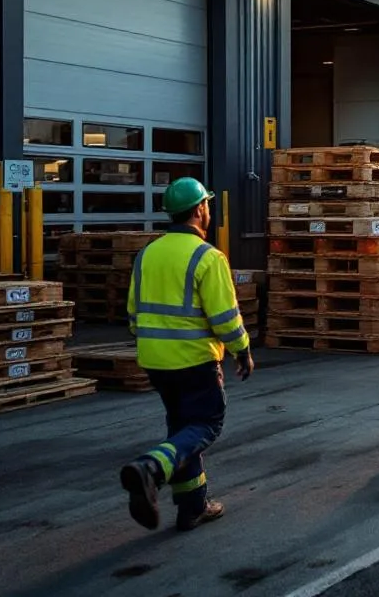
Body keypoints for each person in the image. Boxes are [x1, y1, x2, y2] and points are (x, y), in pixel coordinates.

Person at [119, 177, 253, 532]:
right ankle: (151, 467)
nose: (208, 210)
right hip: (194, 359)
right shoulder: (207, 257)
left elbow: (133, 312)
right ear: (198, 210)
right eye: (207, 204)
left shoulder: (147, 254)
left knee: (182, 428)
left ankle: (192, 506)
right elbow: (225, 317)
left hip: (154, 361)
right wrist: (242, 350)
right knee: (207, 423)